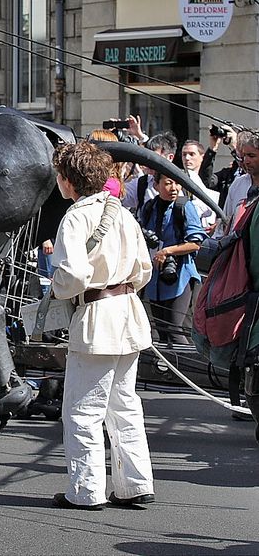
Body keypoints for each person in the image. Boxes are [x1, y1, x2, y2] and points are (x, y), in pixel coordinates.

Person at [50, 140, 155, 510]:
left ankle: (86, 491)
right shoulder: (123, 212)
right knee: (125, 404)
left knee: (83, 409)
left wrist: (58, 288)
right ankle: (135, 483)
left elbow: (74, 275)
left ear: (68, 180)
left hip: (96, 316)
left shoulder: (76, 216)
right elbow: (144, 268)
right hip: (128, 310)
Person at [138, 173, 206, 345]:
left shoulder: (184, 206)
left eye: (177, 184)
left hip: (181, 275)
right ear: (156, 185)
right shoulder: (149, 208)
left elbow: (196, 243)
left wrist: (167, 251)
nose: (174, 188)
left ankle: (190, 371)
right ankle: (165, 372)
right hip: (155, 279)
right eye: (168, 183)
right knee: (160, 333)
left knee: (175, 330)